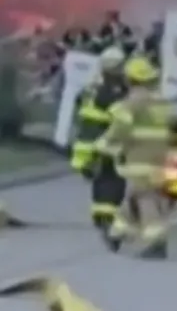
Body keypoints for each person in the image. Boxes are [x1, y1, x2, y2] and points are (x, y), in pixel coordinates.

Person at [96, 55, 176, 258]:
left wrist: (104, 143)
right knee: (136, 196)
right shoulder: (163, 102)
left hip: (140, 158)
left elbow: (120, 128)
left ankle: (156, 242)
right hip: (163, 158)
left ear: (129, 79)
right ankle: (117, 233)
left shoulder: (132, 103)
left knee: (145, 198)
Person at [71, 46, 128, 233]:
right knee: (113, 179)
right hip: (106, 141)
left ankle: (100, 215)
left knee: (100, 179)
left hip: (87, 141)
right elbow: (122, 116)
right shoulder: (113, 90)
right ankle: (108, 216)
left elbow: (78, 103)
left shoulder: (91, 87)